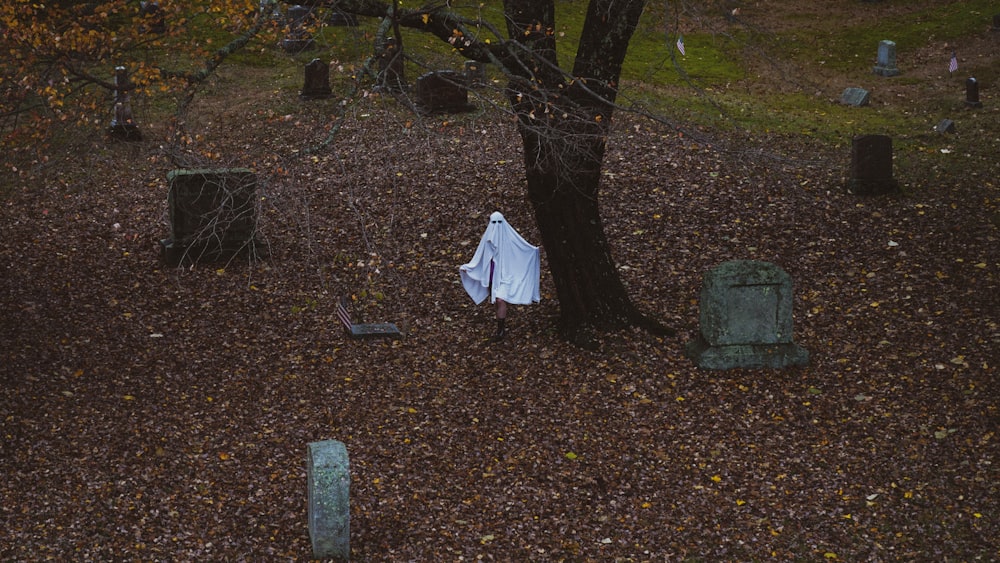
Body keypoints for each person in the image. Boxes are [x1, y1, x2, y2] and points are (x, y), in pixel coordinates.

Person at [459, 211, 540, 342]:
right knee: (496, 302)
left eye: (499, 223)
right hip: (491, 276)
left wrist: (533, 251)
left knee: (500, 300)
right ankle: (500, 327)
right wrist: (469, 267)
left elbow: (520, 249)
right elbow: (480, 256)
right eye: (494, 223)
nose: (496, 226)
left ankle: (501, 331)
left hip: (506, 276)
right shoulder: (487, 239)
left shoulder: (510, 238)